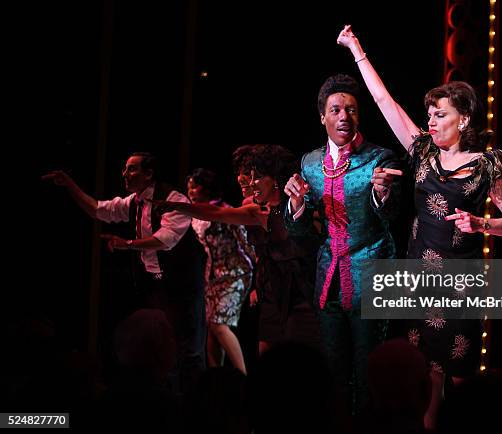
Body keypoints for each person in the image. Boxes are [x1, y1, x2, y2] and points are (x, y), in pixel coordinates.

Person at [337, 25, 502, 430]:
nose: (432, 121)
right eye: (430, 115)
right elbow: (384, 101)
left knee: (459, 374)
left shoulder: (488, 165)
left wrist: (482, 223)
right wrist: (357, 48)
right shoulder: (422, 151)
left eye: (441, 115)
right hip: (420, 277)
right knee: (427, 374)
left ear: (465, 118)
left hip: (462, 282)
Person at [283, 73, 403, 418]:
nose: (343, 117)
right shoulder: (309, 163)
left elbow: (393, 215)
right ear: (323, 116)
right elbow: (301, 232)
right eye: (336, 110)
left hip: (372, 275)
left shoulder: (380, 159)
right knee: (333, 372)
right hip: (329, 279)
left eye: (351, 110)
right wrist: (295, 206)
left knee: (370, 373)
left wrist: (382, 194)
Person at [43, 152, 205, 394]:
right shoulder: (134, 201)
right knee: (159, 348)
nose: (125, 174)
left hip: (182, 284)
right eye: (125, 169)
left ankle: (196, 411)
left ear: (149, 174)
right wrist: (70, 185)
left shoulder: (173, 199)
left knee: (188, 350)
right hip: (156, 284)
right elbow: (99, 209)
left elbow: (165, 240)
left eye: (131, 169)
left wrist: (126, 244)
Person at [155, 145, 321, 356]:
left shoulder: (300, 207)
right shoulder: (257, 211)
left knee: (297, 352)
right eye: (248, 177)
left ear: (276, 178)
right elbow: (216, 212)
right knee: (265, 352)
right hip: (272, 288)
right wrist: (179, 206)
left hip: (302, 289)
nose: (251, 183)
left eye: (257, 177)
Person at [186, 168, 254, 375]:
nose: (190, 191)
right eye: (188, 187)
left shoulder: (225, 211)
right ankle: (216, 379)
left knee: (219, 325)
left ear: (207, 188)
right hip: (212, 277)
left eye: (195, 186)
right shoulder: (195, 216)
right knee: (211, 327)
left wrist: (257, 283)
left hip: (235, 274)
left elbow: (248, 244)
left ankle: (243, 375)